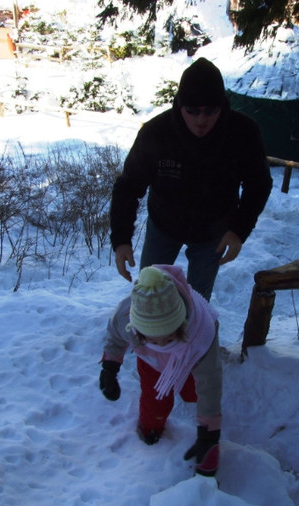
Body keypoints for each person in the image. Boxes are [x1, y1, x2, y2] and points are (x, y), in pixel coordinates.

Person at [110, 57, 273, 301]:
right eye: (192, 111)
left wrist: (239, 230)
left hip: (213, 231)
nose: (201, 119)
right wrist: (121, 239)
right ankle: (148, 336)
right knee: (148, 291)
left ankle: (193, 336)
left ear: (222, 106)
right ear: (180, 105)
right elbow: (128, 187)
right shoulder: (157, 133)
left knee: (198, 300)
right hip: (163, 223)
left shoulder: (243, 133)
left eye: (210, 111)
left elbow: (258, 184)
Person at [99, 264, 222, 477]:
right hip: (150, 361)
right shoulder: (125, 316)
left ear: (182, 323)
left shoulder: (201, 334)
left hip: (188, 357)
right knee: (154, 399)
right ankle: (151, 429)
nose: (162, 343)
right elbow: (115, 336)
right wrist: (110, 366)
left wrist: (209, 436)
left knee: (195, 391)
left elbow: (210, 383)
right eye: (153, 338)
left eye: (170, 336)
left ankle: (186, 388)